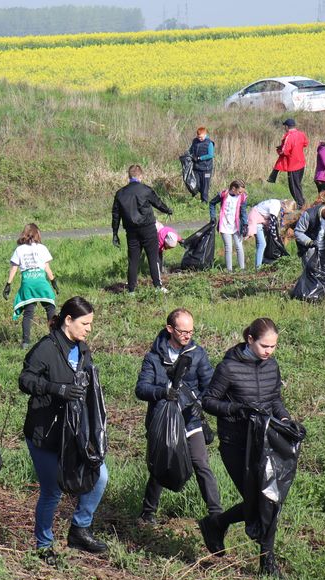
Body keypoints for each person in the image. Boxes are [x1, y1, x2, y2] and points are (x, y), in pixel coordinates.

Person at [201, 318, 294, 578]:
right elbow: (208, 401)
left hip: (265, 442)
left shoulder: (271, 366)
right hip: (235, 445)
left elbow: (275, 399)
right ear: (250, 340)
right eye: (265, 346)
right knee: (260, 502)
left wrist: (286, 419)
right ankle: (267, 563)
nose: (269, 352)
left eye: (274, 347)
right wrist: (237, 409)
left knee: (268, 500)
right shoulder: (228, 368)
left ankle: (217, 524)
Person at [19, 296, 108, 559]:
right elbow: (25, 380)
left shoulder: (82, 349)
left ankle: (80, 530)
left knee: (100, 476)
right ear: (68, 321)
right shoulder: (45, 349)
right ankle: (43, 545)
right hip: (45, 432)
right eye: (85, 323)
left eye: (91, 324)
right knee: (52, 491)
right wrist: (56, 389)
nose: (88, 329)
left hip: (74, 431)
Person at [135, 308, 221, 526]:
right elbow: (141, 389)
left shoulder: (197, 353)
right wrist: (162, 392)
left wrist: (199, 403)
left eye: (191, 331)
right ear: (170, 329)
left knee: (201, 464)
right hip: (163, 422)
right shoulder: (153, 358)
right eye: (183, 331)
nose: (187, 336)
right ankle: (148, 513)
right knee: (161, 466)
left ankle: (216, 515)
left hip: (190, 420)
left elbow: (210, 385)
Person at [112, 164, 173, 293]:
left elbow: (116, 215)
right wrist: (167, 210)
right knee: (153, 257)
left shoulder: (120, 193)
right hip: (147, 228)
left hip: (131, 231)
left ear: (129, 176)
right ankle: (157, 286)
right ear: (140, 176)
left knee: (133, 260)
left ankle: (132, 290)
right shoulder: (145, 190)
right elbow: (158, 203)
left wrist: (115, 233)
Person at [4, 223, 57, 350]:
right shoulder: (42, 248)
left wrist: (8, 284)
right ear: (38, 233)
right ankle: (54, 338)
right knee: (50, 308)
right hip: (41, 281)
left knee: (28, 314)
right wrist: (53, 281)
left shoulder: (19, 250)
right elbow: (47, 268)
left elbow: (14, 268)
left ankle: (25, 342)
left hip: (27, 283)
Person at [293, 200, 325, 293]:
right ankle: (308, 294)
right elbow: (298, 232)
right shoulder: (309, 215)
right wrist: (309, 242)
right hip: (309, 248)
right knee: (312, 272)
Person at [209, 180, 249, 272]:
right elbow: (212, 203)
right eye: (239, 191)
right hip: (225, 225)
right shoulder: (224, 194)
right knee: (228, 247)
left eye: (242, 192)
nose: (241, 193)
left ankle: (242, 269)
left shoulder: (242, 197)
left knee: (239, 246)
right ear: (233, 189)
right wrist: (213, 217)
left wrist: (245, 225)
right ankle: (229, 270)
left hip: (236, 225)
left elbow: (243, 212)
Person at [246, 198, 295, 270]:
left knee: (261, 244)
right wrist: (276, 239)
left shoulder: (278, 204)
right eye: (288, 212)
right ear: (285, 207)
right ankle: (258, 268)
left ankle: (260, 263)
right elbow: (272, 224)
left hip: (261, 218)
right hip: (256, 219)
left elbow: (275, 225)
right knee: (262, 244)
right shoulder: (275, 206)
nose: (287, 214)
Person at [272, 118, 308, 206]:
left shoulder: (289, 136)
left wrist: (279, 150)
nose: (285, 128)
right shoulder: (301, 134)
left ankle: (300, 204)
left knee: (293, 187)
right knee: (298, 184)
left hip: (293, 165)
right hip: (301, 163)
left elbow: (285, 151)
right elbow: (306, 143)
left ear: (287, 127)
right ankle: (302, 202)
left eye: (285, 126)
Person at [188, 127, 215, 202]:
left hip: (206, 169)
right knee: (196, 185)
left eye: (201, 137)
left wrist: (199, 158)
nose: (199, 139)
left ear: (205, 134)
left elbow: (211, 155)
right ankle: (196, 196)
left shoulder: (209, 143)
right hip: (196, 168)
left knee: (205, 186)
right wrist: (189, 155)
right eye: (198, 137)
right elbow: (191, 150)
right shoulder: (195, 141)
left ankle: (204, 202)